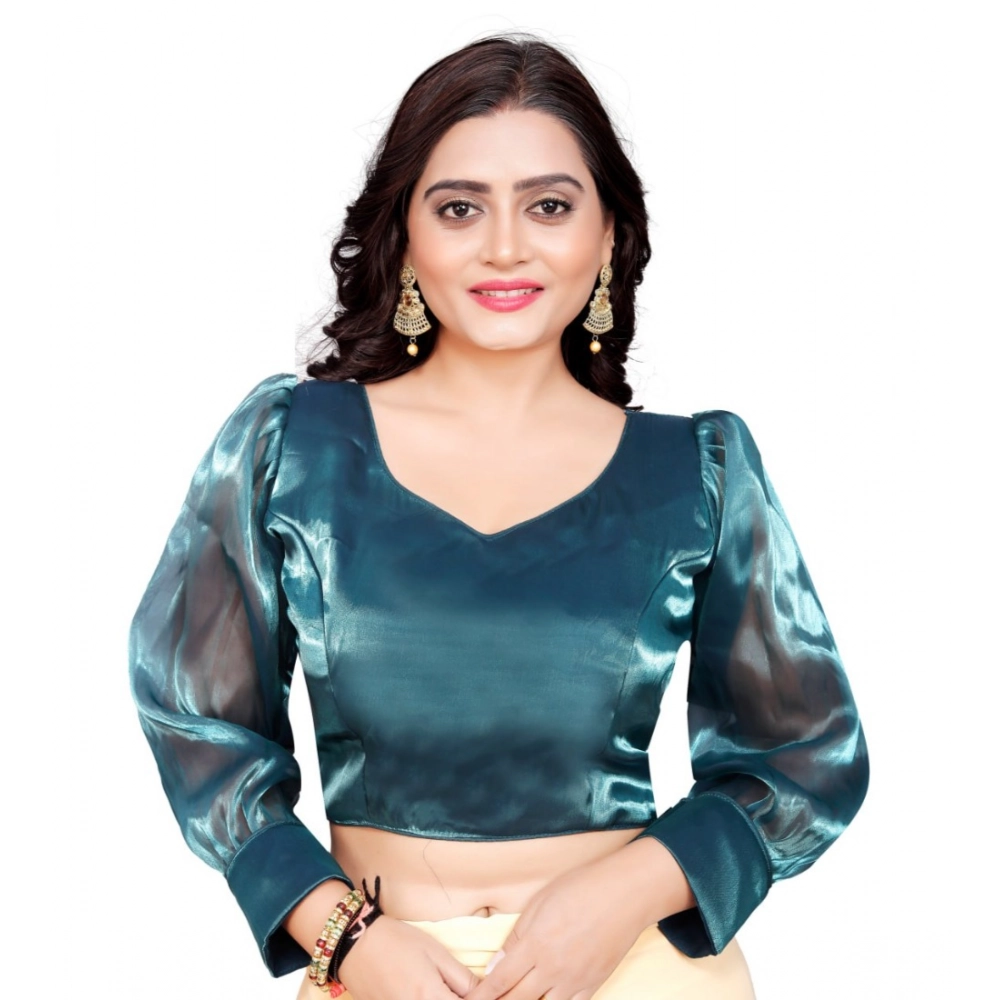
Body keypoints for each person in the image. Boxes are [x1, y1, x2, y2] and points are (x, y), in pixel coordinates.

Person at [128, 34, 869, 1000]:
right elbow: (198, 726)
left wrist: (624, 896)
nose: (506, 246)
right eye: (460, 207)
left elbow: (805, 753)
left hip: (638, 973)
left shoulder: (698, 472)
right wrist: (346, 935)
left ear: (609, 237)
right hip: (374, 976)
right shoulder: (290, 448)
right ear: (406, 235)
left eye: (549, 206)